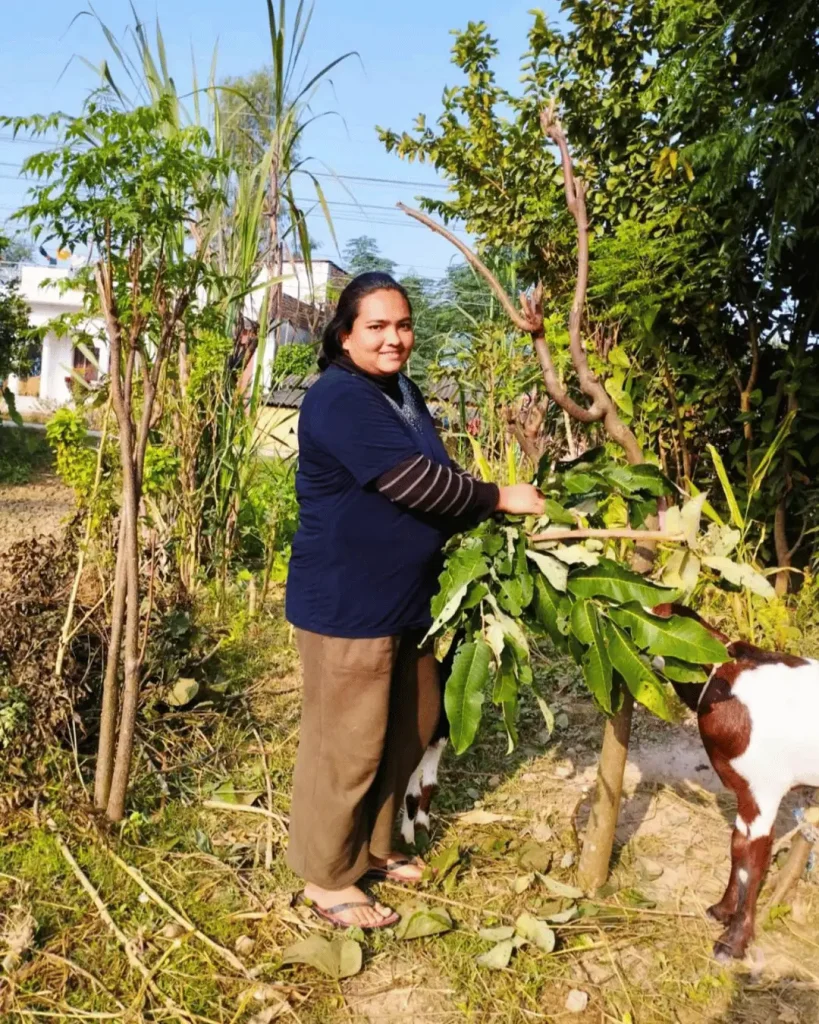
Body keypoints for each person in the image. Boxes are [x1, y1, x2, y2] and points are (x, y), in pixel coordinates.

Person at [285, 271, 545, 929]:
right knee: (346, 744)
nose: (393, 338)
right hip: (349, 603)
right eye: (376, 326)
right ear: (345, 335)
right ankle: (326, 878)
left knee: (409, 727)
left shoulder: (399, 392)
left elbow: (439, 469)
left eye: (402, 325)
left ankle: (372, 848)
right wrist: (496, 497)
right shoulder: (339, 399)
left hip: (407, 599)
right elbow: (414, 482)